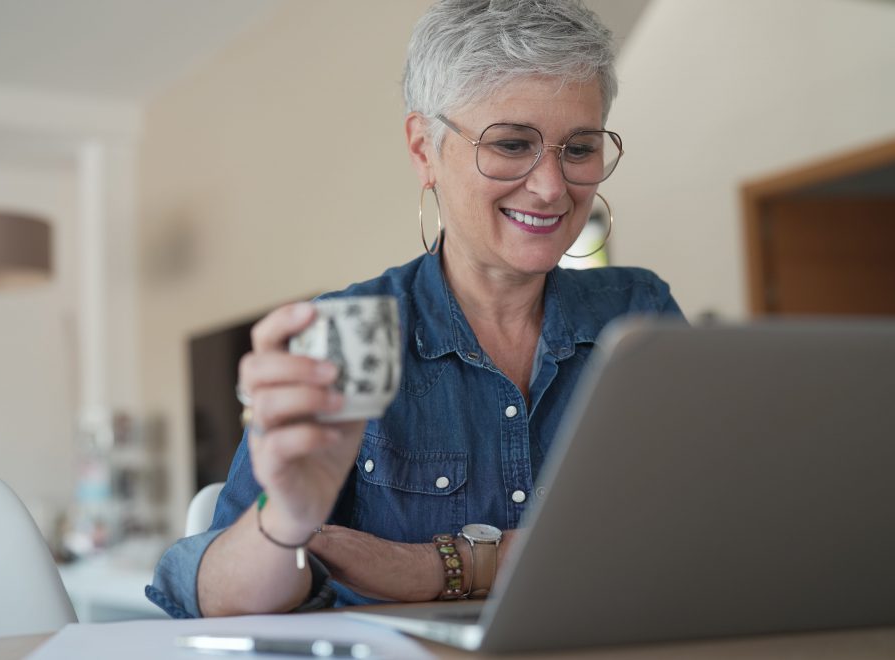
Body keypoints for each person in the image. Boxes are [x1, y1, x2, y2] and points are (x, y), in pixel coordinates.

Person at [147, 0, 684, 619]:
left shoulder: (639, 314)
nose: (552, 187)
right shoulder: (347, 335)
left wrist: (441, 566)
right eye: (511, 144)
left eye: (580, 147)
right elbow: (220, 604)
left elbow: (700, 532)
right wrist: (286, 521)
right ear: (425, 150)